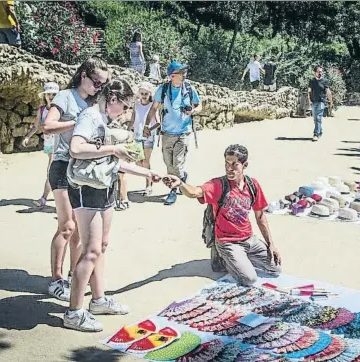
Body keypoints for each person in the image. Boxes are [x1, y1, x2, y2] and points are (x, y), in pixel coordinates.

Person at [64, 79, 164, 332]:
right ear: (113, 99)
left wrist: (146, 174)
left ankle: (98, 300)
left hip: (104, 187)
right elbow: (76, 148)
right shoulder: (90, 116)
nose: (126, 111)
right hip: (88, 190)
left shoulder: (105, 120)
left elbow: (111, 160)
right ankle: (74, 312)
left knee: (102, 246)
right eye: (125, 106)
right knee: (91, 251)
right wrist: (115, 148)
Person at [162, 144, 282, 286]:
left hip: (249, 239)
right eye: (226, 163)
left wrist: (271, 244)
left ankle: (240, 258)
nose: (229, 168)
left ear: (245, 165)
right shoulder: (218, 185)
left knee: (276, 269)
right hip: (227, 241)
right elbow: (194, 192)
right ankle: (223, 256)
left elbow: (260, 217)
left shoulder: (252, 185)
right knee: (249, 279)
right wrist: (180, 184)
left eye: (234, 164)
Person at [43, 57, 109, 301]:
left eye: (102, 85)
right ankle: (56, 279)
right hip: (62, 166)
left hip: (82, 170)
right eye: (96, 82)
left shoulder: (94, 102)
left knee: (81, 232)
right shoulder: (65, 96)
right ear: (83, 76)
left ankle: (74, 275)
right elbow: (48, 126)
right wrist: (80, 122)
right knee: (67, 226)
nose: (98, 88)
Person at [144, 61, 202, 206]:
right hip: (167, 133)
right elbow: (154, 108)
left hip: (183, 132)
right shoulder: (163, 89)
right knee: (168, 162)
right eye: (181, 73)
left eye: (184, 73)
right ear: (172, 76)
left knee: (177, 162)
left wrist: (193, 111)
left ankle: (173, 190)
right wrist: (146, 125)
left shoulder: (189, 88)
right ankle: (182, 177)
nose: (184, 75)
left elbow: (199, 105)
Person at [22, 82, 59, 207]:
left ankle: (43, 198)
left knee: (51, 170)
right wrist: (28, 136)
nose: (51, 96)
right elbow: (36, 125)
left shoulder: (60, 109)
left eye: (53, 94)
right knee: (56, 170)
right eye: (49, 94)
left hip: (58, 143)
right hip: (49, 143)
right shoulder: (42, 110)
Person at [129, 82, 160, 195]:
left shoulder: (153, 106)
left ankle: (148, 186)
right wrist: (128, 131)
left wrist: (149, 130)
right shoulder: (136, 105)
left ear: (149, 94)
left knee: (146, 162)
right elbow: (133, 120)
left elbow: (158, 123)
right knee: (138, 162)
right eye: (142, 93)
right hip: (137, 136)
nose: (144, 95)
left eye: (146, 93)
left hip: (148, 137)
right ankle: (151, 176)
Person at [308, 66, 334, 142]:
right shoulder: (312, 81)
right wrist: (309, 100)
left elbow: (328, 92)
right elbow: (309, 91)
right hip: (313, 101)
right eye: (318, 72)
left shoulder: (325, 81)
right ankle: (320, 131)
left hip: (321, 101)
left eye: (321, 72)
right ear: (315, 72)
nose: (320, 73)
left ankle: (316, 134)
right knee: (315, 118)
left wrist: (331, 101)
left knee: (318, 117)